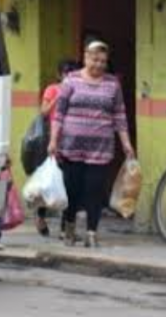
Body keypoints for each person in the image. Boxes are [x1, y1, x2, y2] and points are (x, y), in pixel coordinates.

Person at [48, 40, 135, 248]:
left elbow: (119, 115)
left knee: (94, 190)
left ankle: (91, 233)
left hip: (101, 148)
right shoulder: (71, 81)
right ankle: (69, 227)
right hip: (71, 146)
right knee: (72, 189)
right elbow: (59, 113)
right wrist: (53, 140)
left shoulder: (112, 84)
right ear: (86, 57)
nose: (99, 65)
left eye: (103, 61)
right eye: (95, 59)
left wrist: (126, 143)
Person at [35, 59, 79, 237]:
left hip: (72, 142)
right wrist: (57, 98)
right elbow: (44, 111)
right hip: (53, 142)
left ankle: (64, 227)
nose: (69, 76)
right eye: (66, 73)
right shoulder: (52, 89)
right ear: (59, 74)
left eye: (73, 73)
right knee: (50, 184)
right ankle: (40, 216)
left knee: (68, 185)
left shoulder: (78, 90)